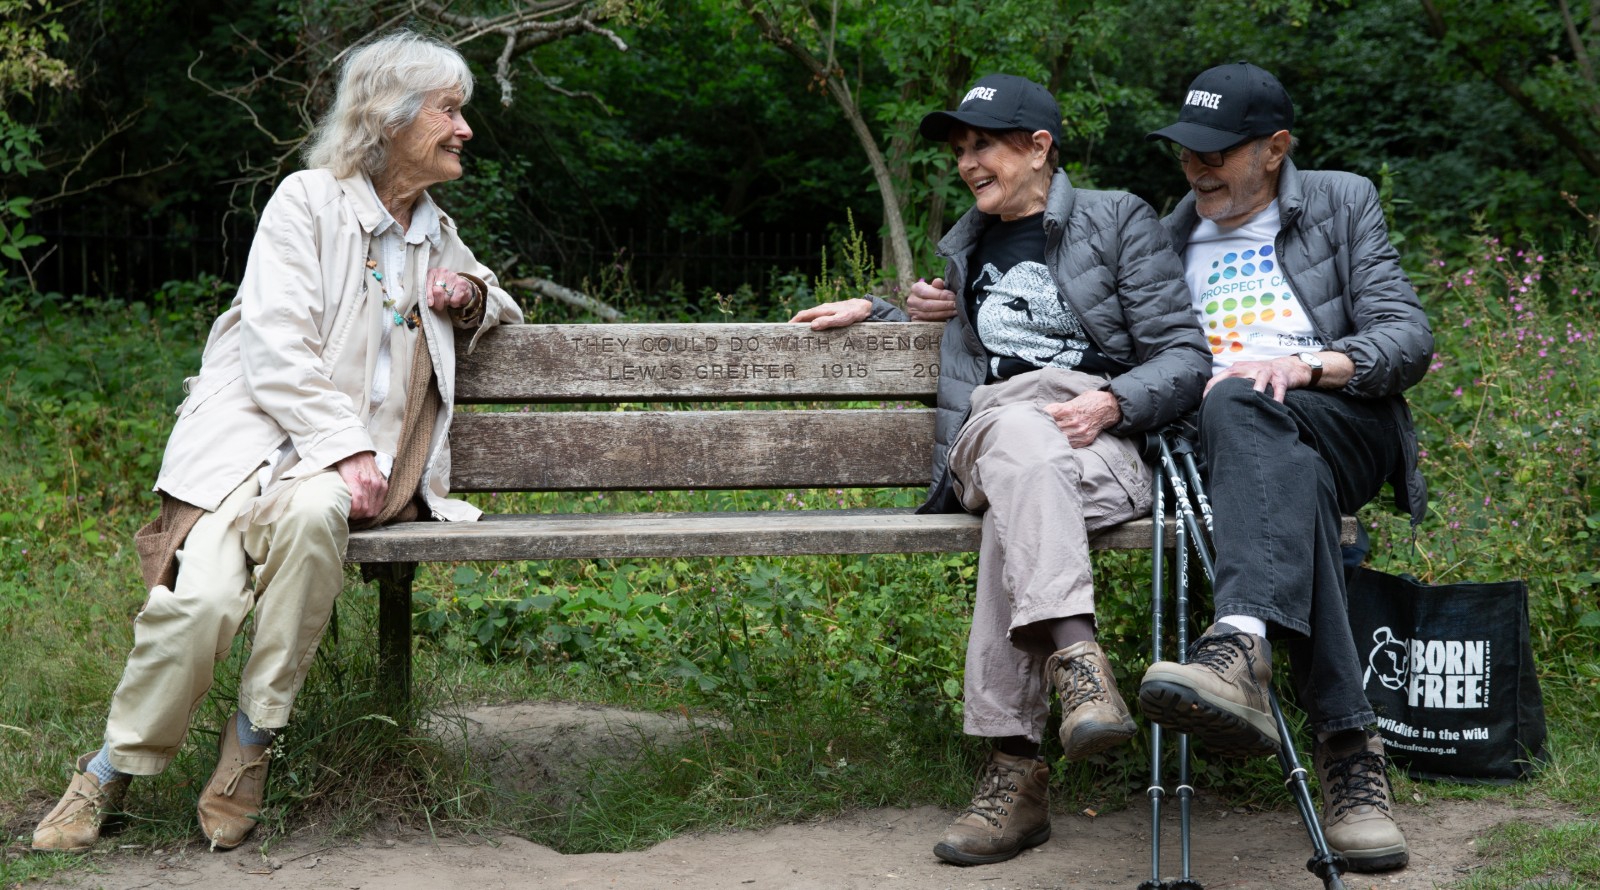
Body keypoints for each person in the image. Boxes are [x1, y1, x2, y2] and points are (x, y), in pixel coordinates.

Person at [30, 30, 522, 853]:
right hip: (252, 460)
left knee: (321, 507)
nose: (464, 128)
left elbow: (495, 294)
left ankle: (249, 749)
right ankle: (109, 768)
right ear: (391, 119)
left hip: (331, 484)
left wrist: (470, 292)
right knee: (202, 605)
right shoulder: (307, 202)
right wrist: (347, 446)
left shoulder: (432, 230)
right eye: (449, 110)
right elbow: (276, 345)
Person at [792, 74, 1209, 866]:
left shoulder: (1117, 219)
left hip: (1100, 446)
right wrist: (876, 310)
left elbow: (1186, 358)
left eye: (984, 144)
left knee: (1020, 510)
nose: (968, 163)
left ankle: (1014, 775)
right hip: (997, 431)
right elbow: (958, 334)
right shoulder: (965, 244)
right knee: (1018, 441)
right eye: (960, 150)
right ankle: (1079, 663)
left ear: (1040, 146)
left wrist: (1114, 405)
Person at [1136, 62, 1432, 874]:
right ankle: (1349, 751)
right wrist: (893, 309)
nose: (1198, 168)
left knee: (1249, 409)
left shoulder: (1339, 202)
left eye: (1218, 152)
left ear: (1274, 148)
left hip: (1340, 418)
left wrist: (1312, 366)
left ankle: (1235, 643)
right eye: (1187, 152)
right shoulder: (1164, 236)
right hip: (1233, 447)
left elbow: (1407, 336)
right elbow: (1067, 313)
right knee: (1270, 464)